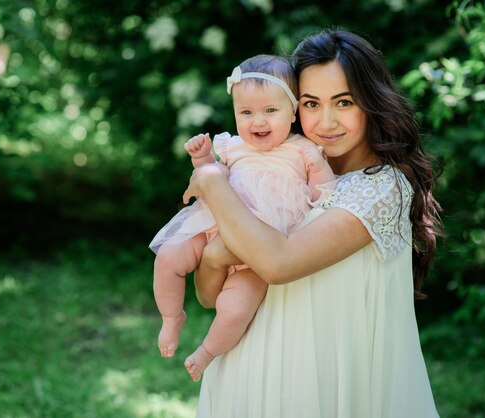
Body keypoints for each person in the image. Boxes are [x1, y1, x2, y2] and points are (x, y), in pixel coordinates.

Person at [183, 28, 443, 417]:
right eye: (310, 102)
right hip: (245, 374)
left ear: (371, 102)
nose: (326, 121)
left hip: (321, 387)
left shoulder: (381, 187)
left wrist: (210, 180)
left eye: (343, 102)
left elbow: (277, 263)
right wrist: (219, 254)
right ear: (291, 106)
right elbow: (207, 296)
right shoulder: (277, 179)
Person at [148, 54, 335, 381]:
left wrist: (320, 174)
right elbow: (213, 177)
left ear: (292, 112)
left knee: (235, 309)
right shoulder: (233, 146)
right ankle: (170, 317)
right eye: (245, 112)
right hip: (212, 224)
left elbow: (323, 196)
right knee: (167, 257)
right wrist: (203, 157)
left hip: (259, 248)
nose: (257, 122)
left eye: (270, 111)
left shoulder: (302, 150)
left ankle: (206, 351)